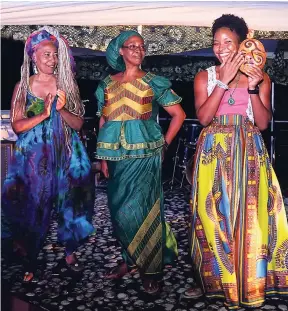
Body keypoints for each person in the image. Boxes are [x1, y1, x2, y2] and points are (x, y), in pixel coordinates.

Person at [186, 14, 288, 308]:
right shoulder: (205, 76)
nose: (221, 48)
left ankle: (250, 283)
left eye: (228, 42)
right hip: (213, 154)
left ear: (243, 43)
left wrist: (254, 88)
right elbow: (204, 118)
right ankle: (214, 282)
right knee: (212, 218)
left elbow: (265, 122)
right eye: (216, 43)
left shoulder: (261, 76)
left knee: (250, 219)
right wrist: (223, 81)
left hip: (249, 154)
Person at [1, 26, 95, 282]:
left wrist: (61, 109)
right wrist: (43, 114)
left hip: (66, 152)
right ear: (34, 56)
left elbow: (78, 124)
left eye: (55, 54)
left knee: (71, 202)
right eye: (46, 54)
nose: (52, 59)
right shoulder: (23, 86)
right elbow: (18, 126)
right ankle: (31, 257)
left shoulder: (67, 84)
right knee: (33, 205)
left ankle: (70, 254)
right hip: (34, 157)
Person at [95, 30, 186, 294]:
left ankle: (151, 268)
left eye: (141, 46)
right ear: (120, 51)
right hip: (115, 157)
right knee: (119, 212)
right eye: (131, 46)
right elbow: (104, 121)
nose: (137, 49)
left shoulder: (153, 82)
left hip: (146, 156)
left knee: (145, 211)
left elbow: (178, 114)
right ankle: (129, 259)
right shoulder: (106, 84)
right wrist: (102, 158)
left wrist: (165, 144)